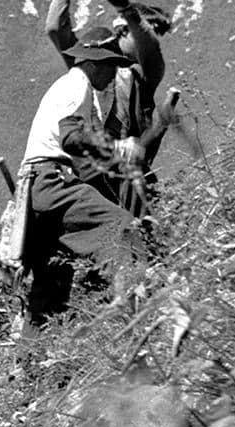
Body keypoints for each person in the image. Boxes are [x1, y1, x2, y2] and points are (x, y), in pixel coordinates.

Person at [16, 34, 149, 322]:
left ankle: (31, 363)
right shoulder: (78, 84)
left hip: (34, 189)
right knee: (121, 229)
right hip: (53, 180)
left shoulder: (66, 88)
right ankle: (134, 319)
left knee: (50, 285)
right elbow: (72, 138)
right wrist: (119, 148)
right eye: (112, 66)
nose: (114, 75)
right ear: (95, 63)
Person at [42, 0, 173, 210]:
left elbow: (150, 50)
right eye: (144, 32)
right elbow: (55, 29)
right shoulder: (90, 59)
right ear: (123, 30)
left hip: (128, 177)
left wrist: (127, 10)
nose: (151, 41)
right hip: (87, 179)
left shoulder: (143, 74)